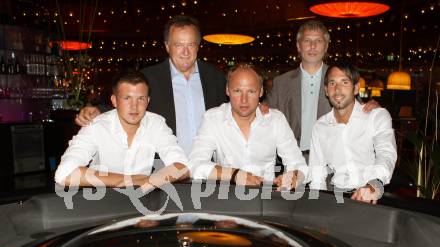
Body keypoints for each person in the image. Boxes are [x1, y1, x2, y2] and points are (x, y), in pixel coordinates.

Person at [75, 15, 227, 156]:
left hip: (207, 168)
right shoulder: (149, 77)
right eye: (178, 44)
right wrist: (97, 111)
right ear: (167, 46)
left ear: (198, 46)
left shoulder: (216, 78)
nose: (185, 52)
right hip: (164, 169)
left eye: (191, 44)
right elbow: (128, 105)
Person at [55, 69, 188, 189]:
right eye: (127, 98)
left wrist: (150, 182)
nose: (134, 106)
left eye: (140, 99)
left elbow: (182, 166)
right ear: (114, 101)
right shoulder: (97, 126)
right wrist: (128, 180)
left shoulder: (156, 124)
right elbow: (64, 173)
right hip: (101, 203)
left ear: (147, 101)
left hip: (142, 202)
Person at [189, 63, 307, 190]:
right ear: (227, 90)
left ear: (261, 91)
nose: (244, 99)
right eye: (237, 91)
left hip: (266, 199)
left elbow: (299, 166)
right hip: (227, 198)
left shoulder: (275, 120)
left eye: (251, 91)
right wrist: (234, 175)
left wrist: (295, 176)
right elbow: (195, 165)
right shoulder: (213, 119)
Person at [268, 20, 378, 154]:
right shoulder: (281, 82)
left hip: (331, 161)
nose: (312, 46)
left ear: (326, 46)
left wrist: (372, 109)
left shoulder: (340, 77)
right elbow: (265, 117)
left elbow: (358, 113)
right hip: (291, 161)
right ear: (298, 46)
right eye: (307, 40)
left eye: (318, 41)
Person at [308, 62, 397, 204]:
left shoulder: (376, 116)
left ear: (356, 88)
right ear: (326, 90)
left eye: (344, 82)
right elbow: (317, 174)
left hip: (373, 195)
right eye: (332, 83)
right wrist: (317, 205)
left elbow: (386, 153)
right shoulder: (320, 127)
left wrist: (374, 184)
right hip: (337, 199)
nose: (337, 89)